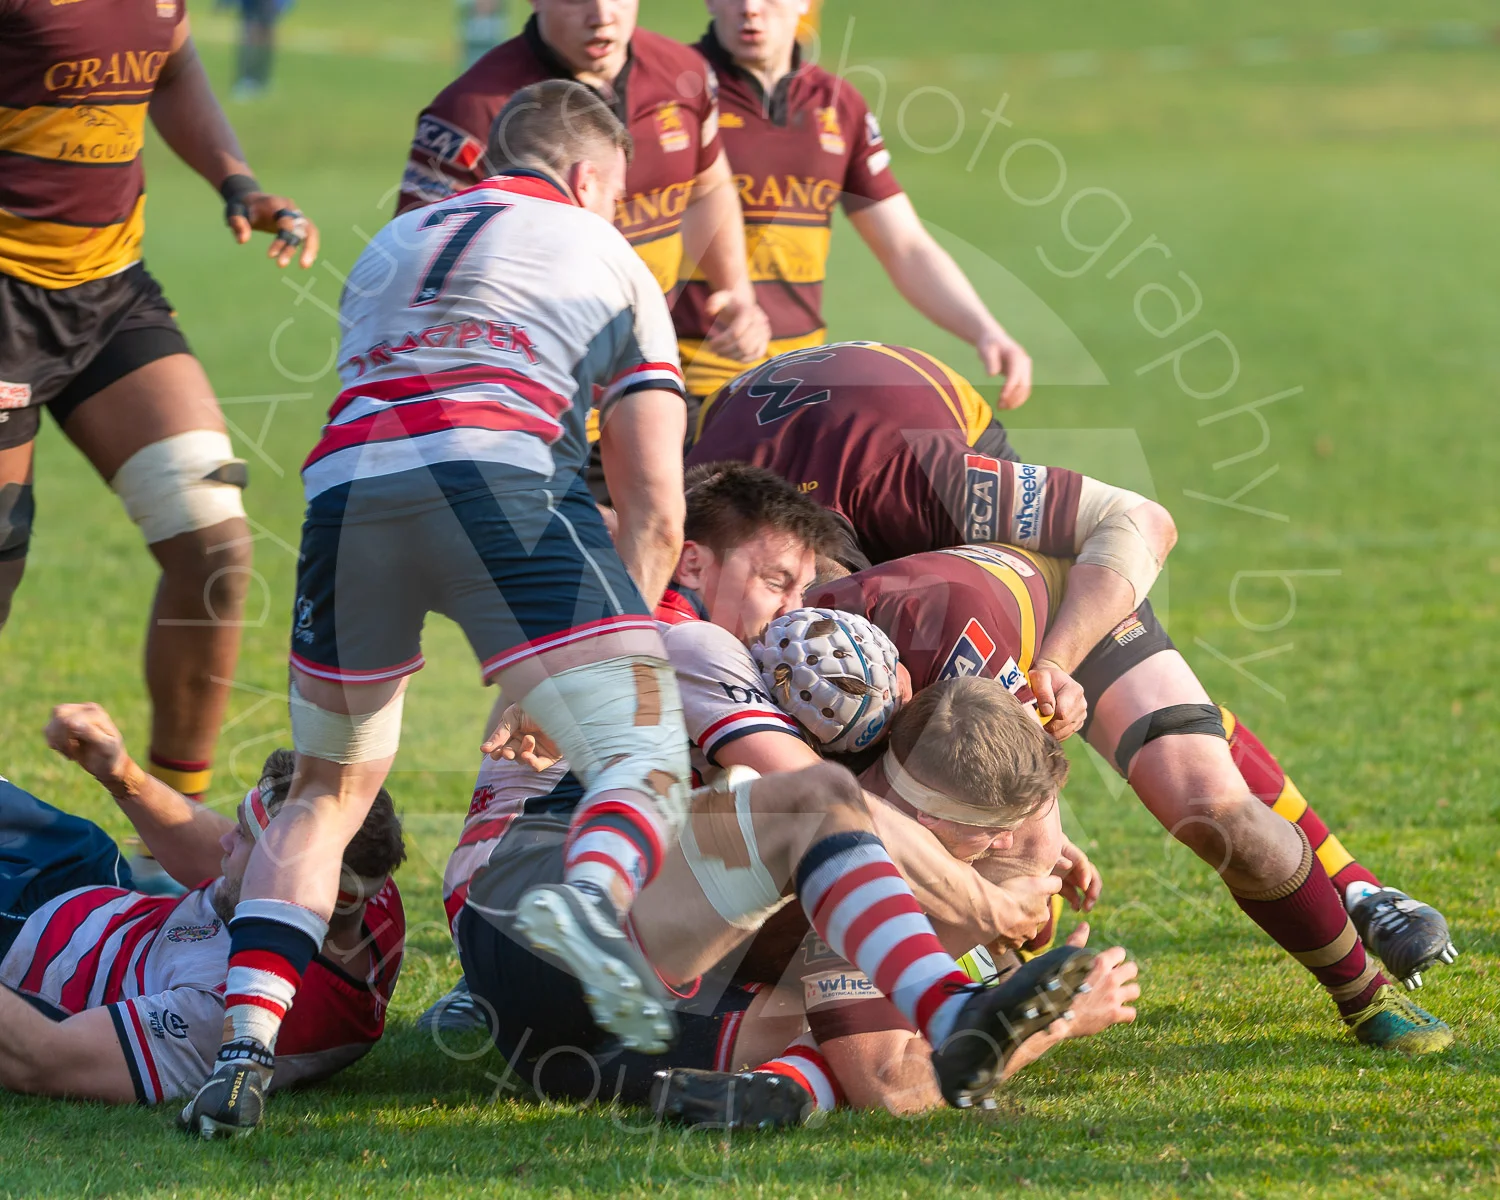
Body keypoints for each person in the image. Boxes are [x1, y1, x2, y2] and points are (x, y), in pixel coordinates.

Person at [178, 81, 698, 1139]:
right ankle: (588, 902)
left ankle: (242, 1051)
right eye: (617, 192)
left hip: (348, 494)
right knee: (643, 752)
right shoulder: (608, 253)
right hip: (502, 480)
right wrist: (562, 685)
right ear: (589, 177)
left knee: (326, 791)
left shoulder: (392, 245)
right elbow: (654, 507)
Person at [688, 340, 1458, 999]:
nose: (783, 617)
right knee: (869, 781)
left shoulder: (925, 479)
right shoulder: (692, 563)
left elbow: (1139, 521)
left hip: (991, 547)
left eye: (793, 591)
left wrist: (1053, 663)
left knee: (1201, 795)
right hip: (814, 478)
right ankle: (964, 962)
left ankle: (1357, 890)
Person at [431, 461, 1061, 1030]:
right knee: (818, 808)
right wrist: (990, 906)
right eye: (775, 582)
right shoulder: (696, 642)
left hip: (531, 907)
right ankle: (950, 1004)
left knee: (803, 1019)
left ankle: (933, 1012)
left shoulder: (644, 618)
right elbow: (829, 805)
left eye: (801, 590)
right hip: (531, 900)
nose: (791, 611)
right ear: (694, 563)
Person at [759, 542, 1455, 1051]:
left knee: (1211, 812)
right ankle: (970, 991)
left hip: (1080, 618)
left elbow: (1025, 808)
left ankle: (1365, 994)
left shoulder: (948, 640)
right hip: (961, 671)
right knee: (905, 849)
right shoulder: (783, 670)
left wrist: (1024, 880)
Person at [0, 0, 319, 834]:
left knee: (215, 546)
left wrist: (236, 180)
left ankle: (171, 838)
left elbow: (171, 67)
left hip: (109, 298)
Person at [651, 677, 1140, 1126]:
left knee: (953, 982)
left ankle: (797, 1080)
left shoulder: (866, 773)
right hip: (643, 1007)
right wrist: (1052, 1020)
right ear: (932, 821)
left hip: (660, 952)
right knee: (829, 1024)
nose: (1005, 843)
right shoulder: (858, 879)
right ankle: (802, 1076)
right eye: (996, 830)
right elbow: (888, 1085)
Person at [397, 0, 771, 454]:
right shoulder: (470, 109)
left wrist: (737, 293)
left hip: (649, 390)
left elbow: (707, 187)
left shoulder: (684, 72)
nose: (602, 15)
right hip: (533, 414)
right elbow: (422, 272)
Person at [0, 703, 404, 1107]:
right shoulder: (361, 894)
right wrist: (122, 774)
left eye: (243, 836)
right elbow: (230, 855)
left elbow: (41, 1058)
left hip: (30, 951)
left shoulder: (233, 1021)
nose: (225, 842)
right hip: (94, 883)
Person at [679, 0, 1032, 412]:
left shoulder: (837, 104)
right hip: (682, 379)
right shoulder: (673, 90)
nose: (751, 8)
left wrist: (986, 330)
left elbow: (904, 245)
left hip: (793, 382)